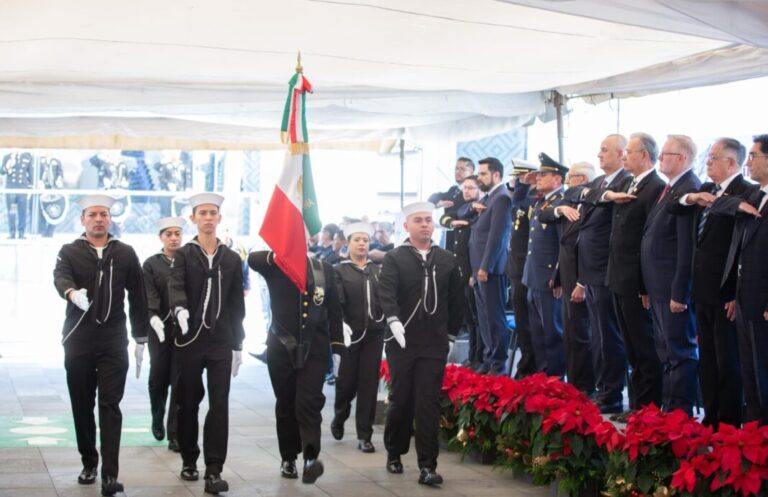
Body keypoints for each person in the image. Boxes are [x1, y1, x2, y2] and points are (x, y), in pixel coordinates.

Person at [53, 194, 148, 496]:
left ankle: (110, 474)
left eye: (103, 214)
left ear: (110, 218)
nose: (98, 219)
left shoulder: (125, 253)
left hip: (113, 340)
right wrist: (71, 293)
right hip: (78, 340)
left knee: (110, 405)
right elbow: (60, 277)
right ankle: (88, 461)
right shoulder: (69, 251)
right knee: (82, 404)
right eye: (92, 214)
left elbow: (139, 295)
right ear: (82, 219)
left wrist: (141, 338)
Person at [379, 202, 464, 486]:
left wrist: (451, 334)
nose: (425, 225)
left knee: (427, 403)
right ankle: (395, 451)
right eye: (419, 220)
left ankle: (428, 466)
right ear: (407, 226)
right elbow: (386, 292)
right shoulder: (395, 258)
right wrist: (392, 320)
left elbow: (456, 300)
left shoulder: (447, 259)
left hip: (434, 343)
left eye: (429, 220)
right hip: (402, 341)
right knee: (401, 399)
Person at [670, 137, 751, 428]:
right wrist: (693, 198)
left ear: (731, 163)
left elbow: (743, 247)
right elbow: (674, 205)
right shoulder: (705, 189)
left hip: (726, 290)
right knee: (708, 359)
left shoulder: (748, 191)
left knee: (728, 361)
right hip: (701, 288)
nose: (708, 163)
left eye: (713, 158)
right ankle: (711, 415)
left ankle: (728, 422)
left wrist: (735, 292)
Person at [168, 193, 246, 494]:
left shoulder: (230, 257)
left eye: (213, 212)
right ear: (193, 219)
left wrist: (238, 342)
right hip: (189, 340)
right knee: (187, 401)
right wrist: (180, 309)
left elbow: (237, 302)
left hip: (221, 340)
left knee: (219, 403)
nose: (209, 217)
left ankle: (214, 468)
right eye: (203, 213)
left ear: (219, 218)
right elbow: (175, 286)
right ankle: (189, 459)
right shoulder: (184, 255)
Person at [248, 246, 344, 483]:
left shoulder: (325, 270)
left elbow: (334, 312)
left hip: (316, 349)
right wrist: (277, 253)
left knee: (308, 402)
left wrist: (338, 347)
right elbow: (252, 259)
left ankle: (311, 457)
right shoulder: (274, 265)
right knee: (286, 402)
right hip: (281, 347)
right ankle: (288, 456)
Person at [598, 132, 665, 416]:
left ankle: (647, 408)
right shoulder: (627, 182)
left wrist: (643, 285)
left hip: (636, 281)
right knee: (631, 347)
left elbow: (650, 240)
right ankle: (636, 404)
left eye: (630, 152)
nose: (624, 156)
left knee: (643, 346)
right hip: (618, 277)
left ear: (645, 156)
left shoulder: (655, 187)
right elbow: (595, 194)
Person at [640, 135, 701, 416]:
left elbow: (686, 248)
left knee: (679, 352)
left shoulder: (690, 188)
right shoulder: (672, 188)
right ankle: (668, 407)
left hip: (672, 288)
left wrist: (680, 292)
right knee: (665, 351)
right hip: (658, 286)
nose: (660, 158)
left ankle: (679, 412)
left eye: (666, 154)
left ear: (683, 159)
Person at [710, 134, 768, 425]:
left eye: (754, 156)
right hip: (745, 297)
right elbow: (716, 204)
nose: (749, 163)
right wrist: (737, 207)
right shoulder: (756, 195)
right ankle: (756, 438)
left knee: (764, 373)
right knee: (751, 372)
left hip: (764, 300)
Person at [578, 135, 631, 413]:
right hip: (590, 269)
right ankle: (602, 387)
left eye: (605, 150)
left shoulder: (626, 181)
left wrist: (606, 196)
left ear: (622, 154)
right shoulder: (600, 183)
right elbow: (578, 193)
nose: (599, 154)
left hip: (606, 268)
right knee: (597, 334)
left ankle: (611, 391)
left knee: (608, 334)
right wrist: (604, 195)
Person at [539, 162, 596, 394]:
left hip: (583, 278)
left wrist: (582, 282)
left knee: (583, 335)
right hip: (567, 274)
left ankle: (585, 386)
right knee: (571, 335)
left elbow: (590, 247)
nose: (566, 181)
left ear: (582, 180)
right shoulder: (567, 202)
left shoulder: (591, 203)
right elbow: (545, 214)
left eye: (570, 177)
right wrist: (559, 210)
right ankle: (572, 383)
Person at [330, 222, 385, 453]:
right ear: (348, 243)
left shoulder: (378, 270)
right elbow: (337, 302)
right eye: (357, 240)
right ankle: (340, 415)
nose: (362, 243)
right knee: (346, 383)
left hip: (374, 333)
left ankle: (365, 435)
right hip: (350, 334)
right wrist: (340, 325)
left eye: (365, 240)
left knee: (368, 384)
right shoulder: (339, 270)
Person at [142, 216, 186, 452]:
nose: (174, 238)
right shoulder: (151, 264)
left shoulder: (188, 260)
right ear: (161, 237)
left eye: (177, 233)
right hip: (158, 326)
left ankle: (175, 433)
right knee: (158, 376)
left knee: (179, 380)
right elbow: (148, 293)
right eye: (168, 234)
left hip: (184, 328)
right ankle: (157, 416)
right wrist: (153, 316)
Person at [522, 153, 567, 377]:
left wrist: (558, 276)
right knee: (537, 332)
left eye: (543, 175)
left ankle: (554, 377)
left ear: (558, 180)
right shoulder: (542, 201)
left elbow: (563, 244)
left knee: (552, 332)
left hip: (549, 277)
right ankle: (542, 374)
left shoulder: (562, 203)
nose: (538, 178)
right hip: (533, 276)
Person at [469, 157, 513, 375]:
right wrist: (474, 271)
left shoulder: (501, 198)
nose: (479, 177)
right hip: (479, 270)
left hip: (491, 270)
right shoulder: (489, 198)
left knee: (495, 319)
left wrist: (485, 267)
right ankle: (488, 359)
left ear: (496, 175)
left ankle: (498, 364)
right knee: (484, 318)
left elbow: (497, 237)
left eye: (483, 173)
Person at [506, 158, 539, 378]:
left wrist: (525, 185)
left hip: (527, 268)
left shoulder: (536, 200)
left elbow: (521, 205)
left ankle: (529, 366)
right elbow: (515, 207)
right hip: (517, 268)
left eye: (523, 176)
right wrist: (522, 185)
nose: (519, 180)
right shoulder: (526, 198)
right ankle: (525, 365)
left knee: (529, 323)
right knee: (522, 321)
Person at [450, 175, 483, 368]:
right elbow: (453, 215)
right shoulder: (465, 208)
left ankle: (479, 358)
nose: (466, 191)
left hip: (473, 272)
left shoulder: (480, 209)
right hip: (461, 272)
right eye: (464, 188)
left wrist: (473, 272)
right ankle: (472, 356)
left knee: (478, 319)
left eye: (471, 188)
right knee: (469, 318)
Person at [430, 157, 475, 249]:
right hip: (447, 234)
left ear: (471, 172)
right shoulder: (453, 189)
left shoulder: (474, 194)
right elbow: (433, 197)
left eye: (462, 169)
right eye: (456, 169)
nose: (457, 172)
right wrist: (440, 203)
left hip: (464, 239)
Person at [2, 151, 34, 239]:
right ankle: (12, 232)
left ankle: (21, 233)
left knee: (22, 212)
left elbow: (31, 173)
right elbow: (2, 171)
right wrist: (9, 164)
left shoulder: (27, 156)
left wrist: (30, 188)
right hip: (11, 189)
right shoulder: (7, 156)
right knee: (12, 212)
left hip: (22, 189)